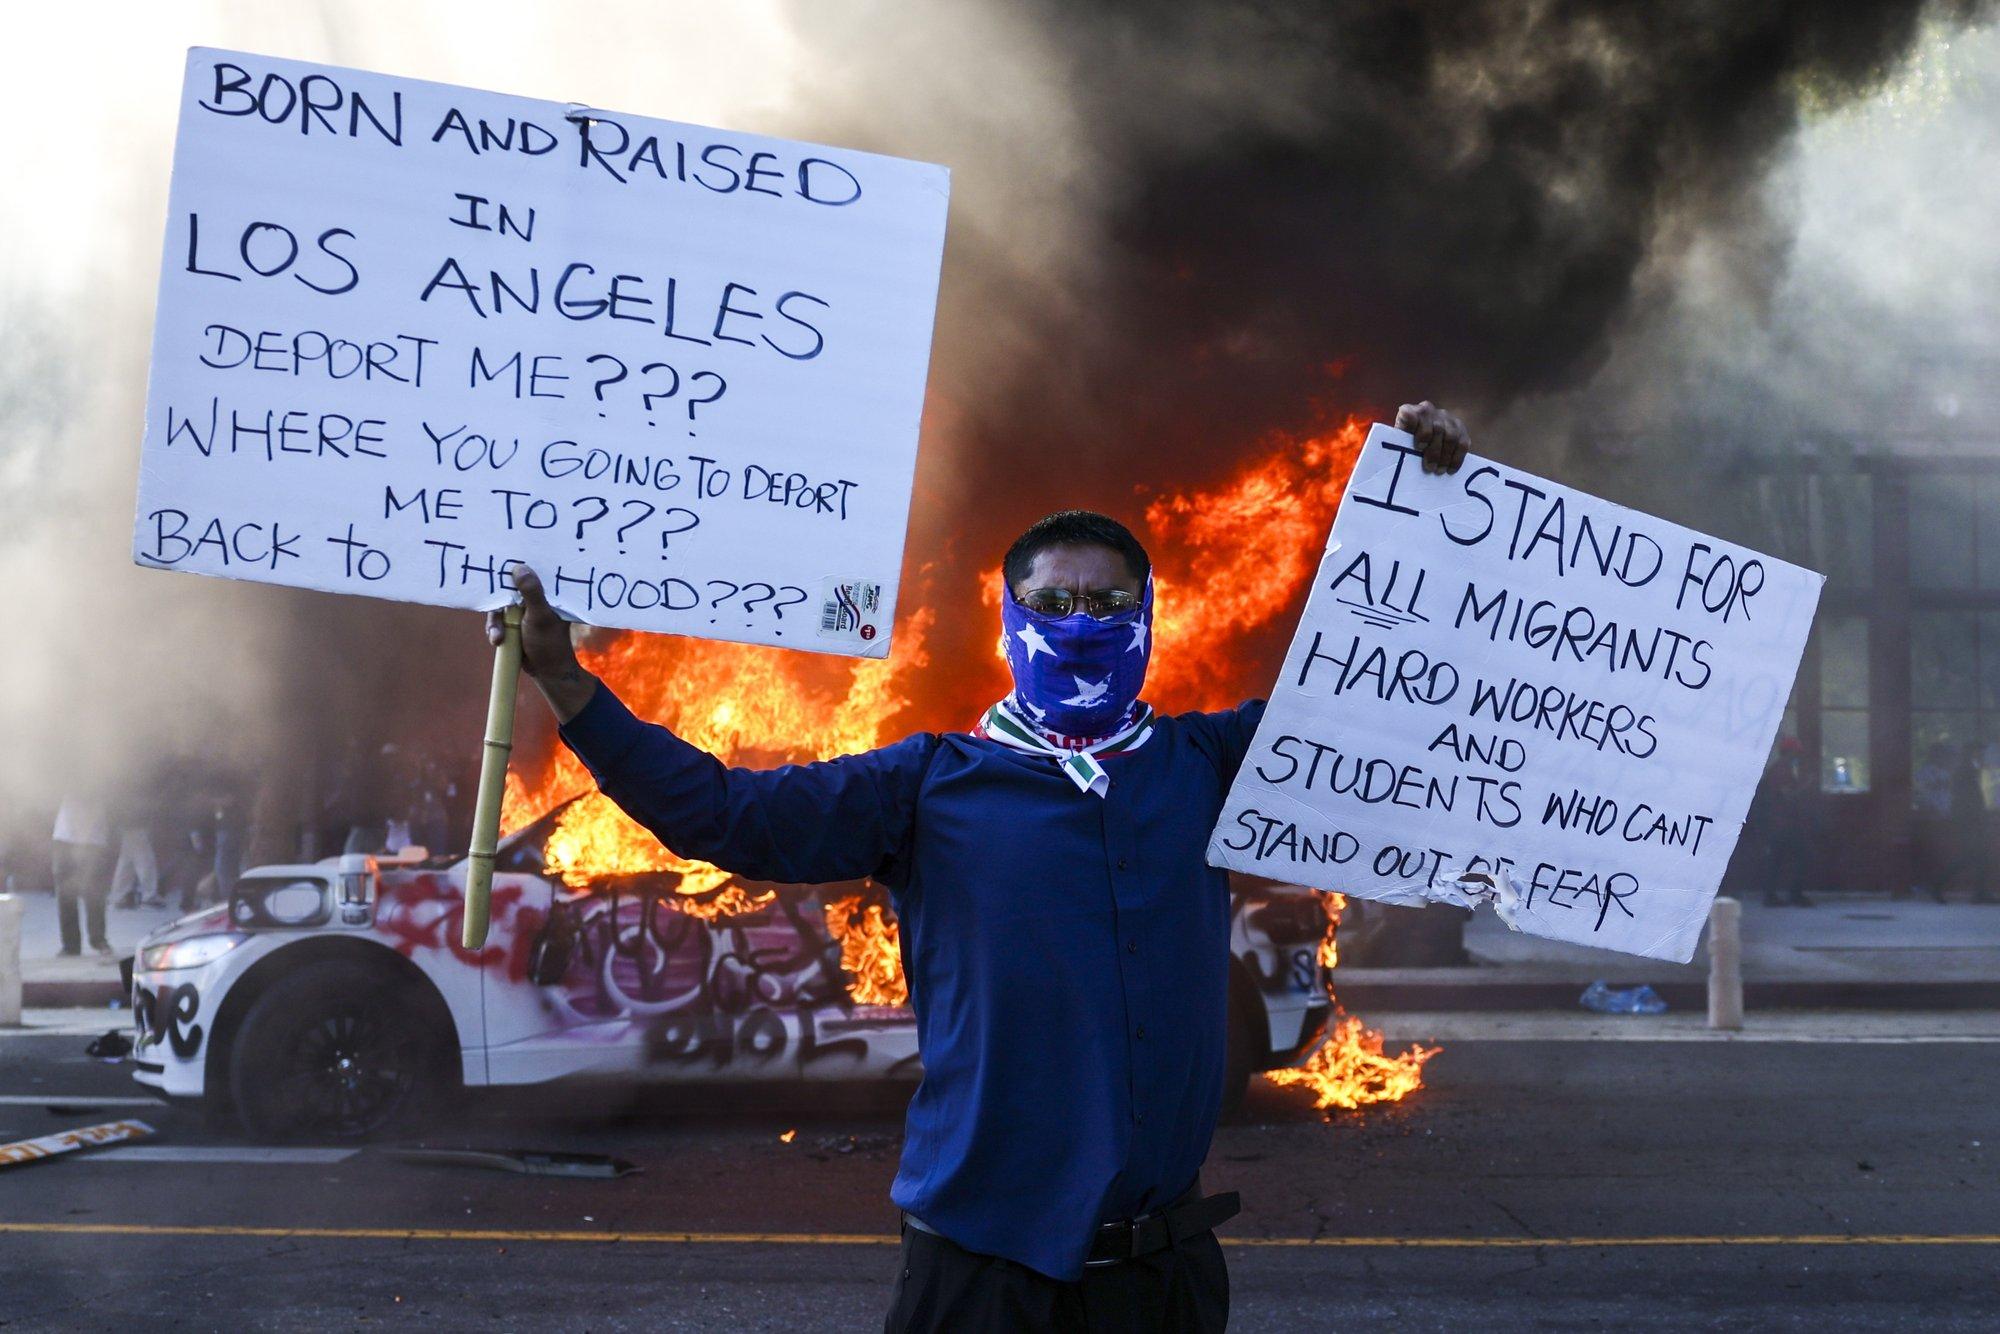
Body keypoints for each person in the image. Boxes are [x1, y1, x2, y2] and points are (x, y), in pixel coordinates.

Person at [495, 403, 1471, 1331]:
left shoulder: (1208, 763)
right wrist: (569, 686)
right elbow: (724, 813)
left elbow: (1374, 704)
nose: (1080, 622)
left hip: (1161, 1280)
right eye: (1052, 601)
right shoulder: (927, 784)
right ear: (1009, 624)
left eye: (1106, 602)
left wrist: (1428, 516)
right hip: (980, 1277)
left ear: (1147, 620)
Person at [51, 792, 114, 957]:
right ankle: (72, 944)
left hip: (91, 840)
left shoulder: (96, 775)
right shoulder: (65, 775)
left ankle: (98, 939)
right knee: (66, 894)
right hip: (66, 838)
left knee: (94, 893)